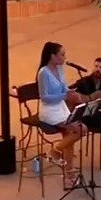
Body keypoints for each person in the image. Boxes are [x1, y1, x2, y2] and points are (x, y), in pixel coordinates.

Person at [36, 41, 86, 169]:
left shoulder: (59, 68)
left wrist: (71, 93)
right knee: (77, 130)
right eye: (62, 55)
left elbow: (64, 87)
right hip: (50, 111)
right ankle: (54, 152)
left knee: (78, 131)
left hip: (61, 108)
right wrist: (64, 96)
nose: (65, 58)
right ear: (53, 56)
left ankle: (68, 175)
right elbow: (45, 97)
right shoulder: (43, 73)